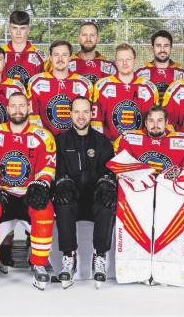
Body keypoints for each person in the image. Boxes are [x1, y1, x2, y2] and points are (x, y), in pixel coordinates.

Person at [0, 92, 56, 290]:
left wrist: (41, 185)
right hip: (4, 193)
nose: (18, 110)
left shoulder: (43, 136)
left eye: (22, 106)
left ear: (29, 108)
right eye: (13, 106)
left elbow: (48, 167)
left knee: (44, 210)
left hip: (29, 193)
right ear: (7, 108)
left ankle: (39, 264)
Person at [52, 97, 116, 289]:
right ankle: (68, 257)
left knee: (108, 202)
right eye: (77, 112)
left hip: (94, 199)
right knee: (63, 202)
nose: (81, 117)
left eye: (85, 112)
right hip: (72, 198)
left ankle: (100, 256)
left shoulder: (103, 142)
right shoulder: (60, 141)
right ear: (70, 114)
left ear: (91, 114)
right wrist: (62, 182)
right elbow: (55, 169)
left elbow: (109, 170)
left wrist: (106, 183)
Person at [91, 43, 159, 141]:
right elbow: (96, 120)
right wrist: (100, 144)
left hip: (139, 145)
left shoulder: (149, 87)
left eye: (128, 59)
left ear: (134, 61)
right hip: (111, 146)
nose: (125, 63)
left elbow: (154, 120)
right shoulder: (102, 85)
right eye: (121, 60)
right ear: (116, 62)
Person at [28, 40, 93, 135]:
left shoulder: (84, 84)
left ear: (70, 57)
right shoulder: (36, 82)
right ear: (50, 57)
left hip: (74, 141)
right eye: (56, 55)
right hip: (45, 140)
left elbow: (87, 117)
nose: (60, 59)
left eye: (64, 55)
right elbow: (33, 116)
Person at [113, 106, 184, 174]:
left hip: (171, 190)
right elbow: (117, 166)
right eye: (151, 121)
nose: (155, 125)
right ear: (146, 123)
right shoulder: (128, 138)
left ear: (166, 122)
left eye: (160, 121)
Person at [48, 21, 116, 85]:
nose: (88, 39)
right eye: (84, 35)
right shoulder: (65, 62)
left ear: (97, 39)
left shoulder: (109, 65)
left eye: (92, 35)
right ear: (78, 39)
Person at [135, 30, 184, 99]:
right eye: (158, 46)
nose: (162, 50)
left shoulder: (183, 72)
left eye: (166, 46)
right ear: (152, 48)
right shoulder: (140, 72)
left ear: (171, 48)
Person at [1, 10, 47, 86]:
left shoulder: (41, 56)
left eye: (22, 28)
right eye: (14, 28)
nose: (18, 32)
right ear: (9, 29)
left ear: (28, 30)